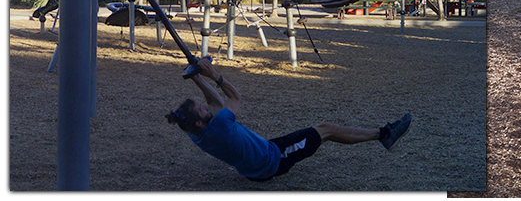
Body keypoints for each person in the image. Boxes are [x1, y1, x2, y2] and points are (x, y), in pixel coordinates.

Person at [166, 58, 412, 182]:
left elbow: (214, 105)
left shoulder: (195, 133)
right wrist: (213, 74)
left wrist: (198, 78)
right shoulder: (218, 126)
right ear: (199, 121)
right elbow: (233, 97)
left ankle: (381, 134)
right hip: (273, 161)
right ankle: (383, 134)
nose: (204, 105)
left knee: (321, 131)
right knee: (324, 129)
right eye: (200, 108)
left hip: (253, 165)